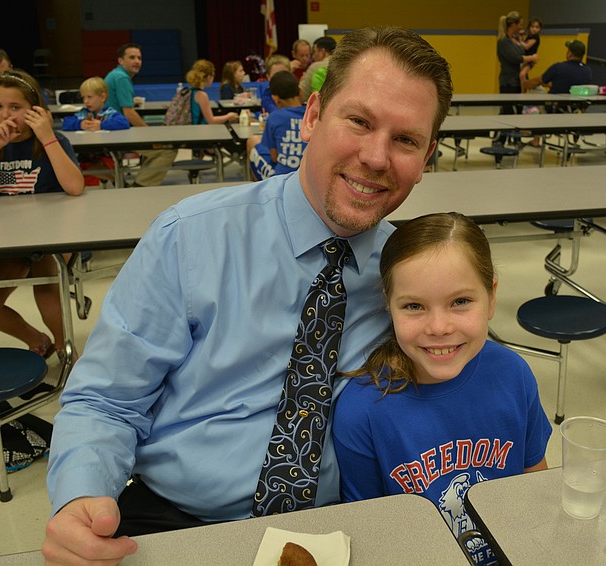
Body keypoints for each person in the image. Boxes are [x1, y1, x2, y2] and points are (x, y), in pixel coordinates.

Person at [42, 26, 453, 565]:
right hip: (178, 522)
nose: (377, 157)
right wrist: (80, 493)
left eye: (406, 140)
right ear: (311, 117)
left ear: (426, 159)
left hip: (337, 525)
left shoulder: (408, 272)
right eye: (359, 121)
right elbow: (106, 398)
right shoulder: (190, 238)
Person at [333, 212, 551, 566]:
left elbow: (534, 485)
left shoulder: (513, 375)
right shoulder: (363, 408)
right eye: (414, 306)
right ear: (388, 303)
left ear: (491, 296)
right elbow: (370, 530)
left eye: (460, 302)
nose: (438, 327)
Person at [0, 69, 84, 358]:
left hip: (52, 235)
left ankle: (65, 349)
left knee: (46, 292)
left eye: (15, 107)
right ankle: (37, 340)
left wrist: (47, 137)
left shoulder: (53, 142)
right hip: (10, 237)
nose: (6, 115)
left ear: (34, 109)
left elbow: (75, 186)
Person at [105, 43, 177, 186]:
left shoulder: (115, 75)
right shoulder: (121, 78)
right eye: (132, 57)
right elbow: (129, 113)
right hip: (117, 134)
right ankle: (140, 186)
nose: (137, 61)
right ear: (121, 61)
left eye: (139, 58)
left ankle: (140, 182)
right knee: (167, 149)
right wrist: (149, 133)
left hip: (113, 130)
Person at [61, 76, 131, 186]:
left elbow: (124, 122)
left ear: (102, 97)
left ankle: (117, 181)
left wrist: (102, 125)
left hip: (106, 153)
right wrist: (80, 124)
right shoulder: (83, 113)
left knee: (92, 167)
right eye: (83, 98)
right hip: (86, 155)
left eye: (89, 97)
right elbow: (65, 123)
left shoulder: (109, 113)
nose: (86, 101)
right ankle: (115, 180)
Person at [247, 71, 307, 180]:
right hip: (310, 178)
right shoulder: (313, 115)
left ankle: (260, 192)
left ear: (275, 99)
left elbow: (274, 158)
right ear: (300, 92)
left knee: (252, 142)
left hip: (281, 180)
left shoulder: (274, 117)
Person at [497, 11, 537, 110]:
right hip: (509, 82)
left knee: (519, 109)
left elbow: (522, 52)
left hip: (519, 81)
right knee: (508, 110)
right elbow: (516, 58)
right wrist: (532, 58)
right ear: (513, 25)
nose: (521, 27)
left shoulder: (516, 39)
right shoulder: (504, 42)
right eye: (520, 25)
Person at [526, 39, 592, 95]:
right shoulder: (587, 71)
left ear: (570, 54)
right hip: (575, 107)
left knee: (536, 88)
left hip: (553, 107)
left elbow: (538, 81)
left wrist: (524, 83)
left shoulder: (558, 67)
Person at [182, 59, 238, 124]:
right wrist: (228, 116)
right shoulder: (201, 95)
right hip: (199, 130)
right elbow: (211, 120)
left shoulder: (188, 90)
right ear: (209, 77)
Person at [299, 36, 337, 103]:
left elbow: (302, 96)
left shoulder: (315, 67)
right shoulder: (347, 64)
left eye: (314, 52)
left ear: (323, 52)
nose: (313, 56)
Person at [520, 17, 543, 86]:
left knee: (522, 74)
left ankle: (523, 93)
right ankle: (526, 87)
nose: (534, 29)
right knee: (523, 75)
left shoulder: (535, 37)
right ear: (529, 27)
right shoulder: (529, 36)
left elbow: (527, 46)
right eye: (532, 27)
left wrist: (518, 40)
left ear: (540, 29)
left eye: (537, 27)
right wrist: (521, 36)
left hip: (530, 60)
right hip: (526, 59)